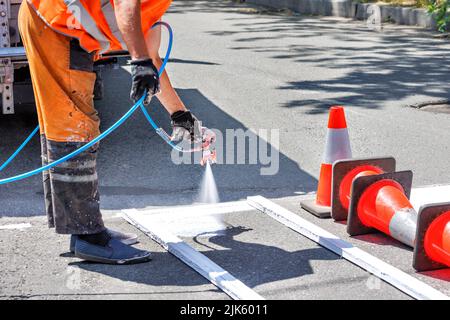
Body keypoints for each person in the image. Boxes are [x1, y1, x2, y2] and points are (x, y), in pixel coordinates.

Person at [19, 0, 205, 264]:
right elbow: (126, 4)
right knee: (75, 125)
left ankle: (86, 229)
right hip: (55, 24)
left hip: (66, 29)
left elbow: (152, 58)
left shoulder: (157, 5)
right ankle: (88, 237)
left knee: (71, 122)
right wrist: (138, 61)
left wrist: (180, 115)